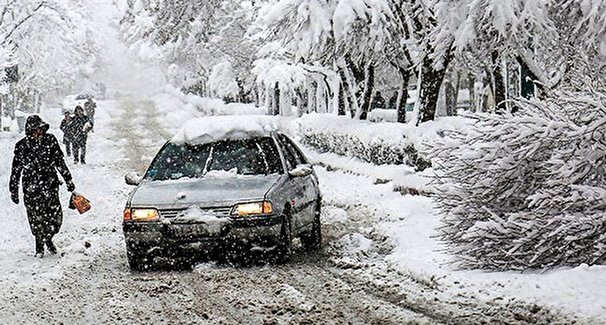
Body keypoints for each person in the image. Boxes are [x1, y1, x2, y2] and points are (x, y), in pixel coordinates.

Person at [9, 115, 76, 258]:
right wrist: (13, 190)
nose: (39, 133)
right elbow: (16, 170)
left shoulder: (50, 141)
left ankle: (48, 237)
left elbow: (59, 162)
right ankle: (39, 245)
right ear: (30, 131)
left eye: (41, 129)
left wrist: (69, 180)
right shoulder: (22, 146)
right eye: (35, 130)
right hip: (31, 187)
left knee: (56, 217)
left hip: (50, 184)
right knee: (36, 217)